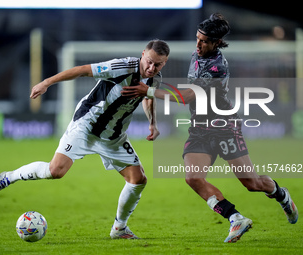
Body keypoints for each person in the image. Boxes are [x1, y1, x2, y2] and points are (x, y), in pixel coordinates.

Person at [121, 14, 298, 243]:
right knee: (193, 177)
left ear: (216, 42)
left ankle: (282, 195)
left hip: (224, 126)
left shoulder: (217, 67)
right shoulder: (197, 55)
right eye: (197, 38)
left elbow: (187, 97)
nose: (198, 44)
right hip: (200, 128)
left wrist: (150, 91)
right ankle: (235, 218)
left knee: (251, 183)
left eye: (204, 41)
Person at [0, 39, 170, 239]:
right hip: (86, 126)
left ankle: (119, 229)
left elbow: (148, 98)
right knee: (55, 171)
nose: (152, 68)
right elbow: (82, 70)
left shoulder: (155, 78)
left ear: (164, 63)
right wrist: (46, 82)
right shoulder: (122, 67)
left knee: (138, 179)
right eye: (149, 61)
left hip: (113, 136)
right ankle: (8, 177)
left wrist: (152, 122)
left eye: (157, 64)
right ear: (143, 54)